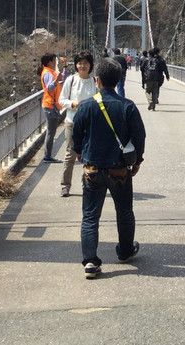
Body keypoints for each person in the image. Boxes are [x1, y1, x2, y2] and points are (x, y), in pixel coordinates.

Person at [69, 57, 146, 278]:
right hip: (119, 169)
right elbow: (139, 136)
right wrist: (137, 160)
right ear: (118, 79)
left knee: (90, 216)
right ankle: (124, 251)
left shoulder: (85, 106)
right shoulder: (128, 106)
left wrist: (80, 153)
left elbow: (76, 136)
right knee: (124, 212)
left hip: (92, 169)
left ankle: (90, 262)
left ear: (97, 80)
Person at [58, 50, 98, 197]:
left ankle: (88, 183)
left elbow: (101, 101)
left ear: (90, 65)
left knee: (90, 156)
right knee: (70, 154)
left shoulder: (95, 81)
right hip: (72, 122)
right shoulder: (71, 80)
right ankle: (65, 186)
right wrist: (73, 103)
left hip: (90, 123)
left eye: (86, 63)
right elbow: (61, 100)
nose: (82, 66)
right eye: (80, 63)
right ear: (76, 65)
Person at [38, 52, 66, 163]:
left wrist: (65, 66)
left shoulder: (50, 71)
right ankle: (47, 156)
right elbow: (49, 88)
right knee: (51, 132)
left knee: (51, 131)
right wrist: (56, 80)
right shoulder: (47, 73)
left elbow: (63, 77)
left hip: (52, 104)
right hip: (50, 105)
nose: (55, 62)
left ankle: (48, 155)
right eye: (54, 60)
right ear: (49, 62)